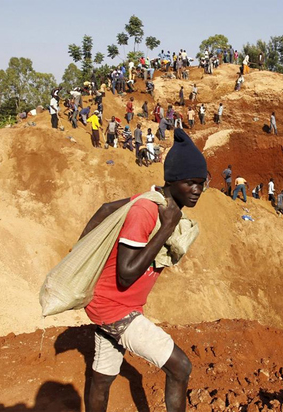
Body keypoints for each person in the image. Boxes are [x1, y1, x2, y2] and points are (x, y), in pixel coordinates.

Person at [82, 128, 207, 412]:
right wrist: (165, 229)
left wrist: (82, 246)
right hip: (115, 308)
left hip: (112, 305)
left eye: (202, 183)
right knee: (180, 367)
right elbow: (126, 274)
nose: (197, 190)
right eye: (191, 182)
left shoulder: (152, 201)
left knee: (102, 379)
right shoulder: (148, 212)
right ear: (173, 180)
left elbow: (106, 207)